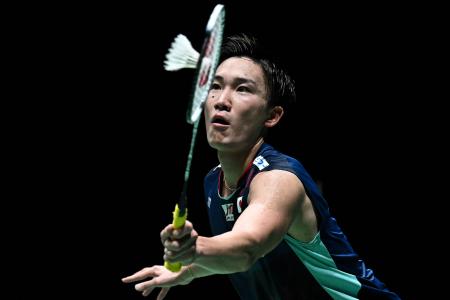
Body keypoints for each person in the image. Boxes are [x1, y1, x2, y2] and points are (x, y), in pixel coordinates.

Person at [122, 34, 400, 299]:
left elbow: (248, 249)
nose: (221, 100)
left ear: (273, 115)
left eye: (242, 89)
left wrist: (195, 248)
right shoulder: (213, 181)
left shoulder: (280, 180)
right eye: (215, 86)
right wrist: (190, 270)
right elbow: (238, 254)